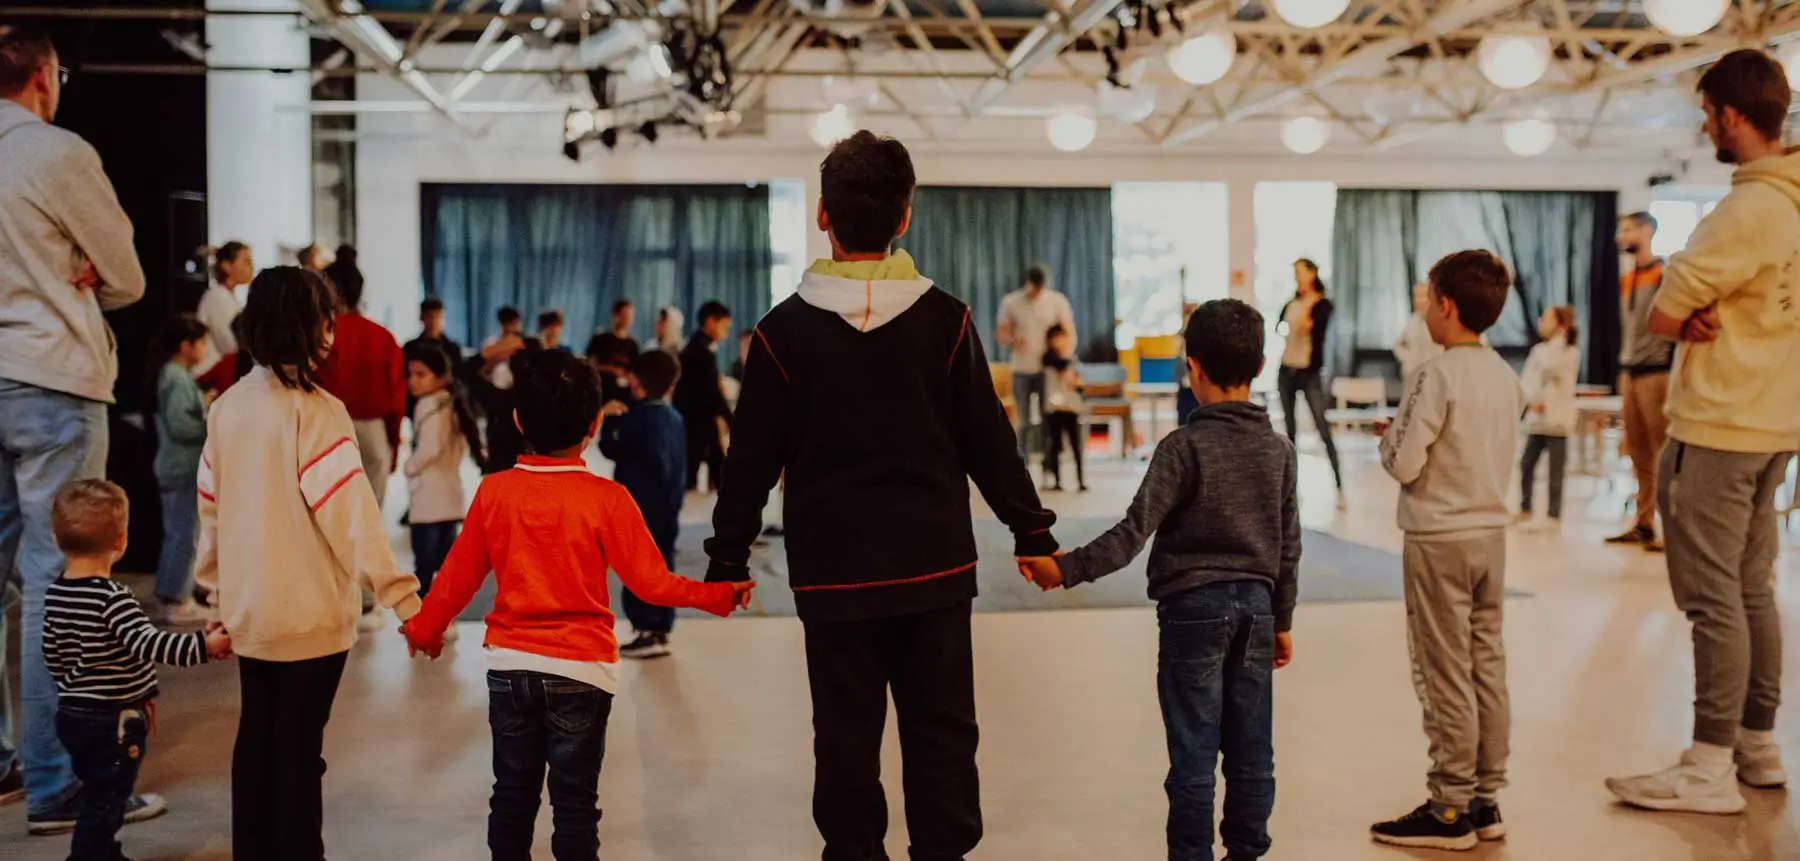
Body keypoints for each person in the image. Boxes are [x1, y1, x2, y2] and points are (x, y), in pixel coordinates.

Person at [705, 131, 1059, 860]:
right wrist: (1032, 533)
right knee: (943, 733)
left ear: (822, 217)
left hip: (832, 576)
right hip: (933, 569)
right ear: (906, 216)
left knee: (843, 736)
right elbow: (990, 442)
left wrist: (729, 557)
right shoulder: (948, 320)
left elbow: (749, 461)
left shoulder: (779, 333)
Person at [400, 351, 752, 861]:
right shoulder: (608, 499)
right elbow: (652, 584)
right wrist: (718, 594)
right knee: (575, 805)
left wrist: (425, 630)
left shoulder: (494, 493)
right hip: (581, 673)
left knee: (512, 796)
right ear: (593, 424)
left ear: (519, 420)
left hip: (510, 669)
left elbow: (455, 580)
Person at [1020, 298, 1297, 861]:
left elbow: (1131, 532)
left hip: (1193, 612)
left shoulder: (1183, 447)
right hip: (1258, 612)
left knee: (1194, 756)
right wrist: (1283, 621)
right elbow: (1288, 547)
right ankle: (1247, 852)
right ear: (1262, 366)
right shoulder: (1279, 450)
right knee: (1252, 753)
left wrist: (1064, 568)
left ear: (1191, 366)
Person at [1605, 48, 1800, 816]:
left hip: (1723, 421)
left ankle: (1709, 764)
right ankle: (1756, 744)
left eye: (1706, 112)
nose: (1703, 124)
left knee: (1713, 597)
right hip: (1775, 420)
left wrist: (1686, 309)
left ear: (1730, 116)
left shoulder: (1748, 208)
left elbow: (1662, 312)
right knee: (1752, 589)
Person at [194, 266, 423, 859]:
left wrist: (216, 600)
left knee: (258, 744)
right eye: (325, 316)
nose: (332, 329)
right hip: (312, 619)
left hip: (250, 615)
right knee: (299, 754)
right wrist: (405, 599)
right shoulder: (316, 412)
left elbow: (210, 515)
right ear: (306, 324)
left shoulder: (227, 409)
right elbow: (354, 520)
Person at [0, 23, 149, 830]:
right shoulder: (55, 152)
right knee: (56, 584)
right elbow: (125, 273)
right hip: (50, 374)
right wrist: (82, 270)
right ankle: (55, 782)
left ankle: (5, 766)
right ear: (44, 78)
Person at [1369, 250, 1521, 851]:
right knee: (1487, 663)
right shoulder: (1506, 375)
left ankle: (1449, 806)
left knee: (1443, 670)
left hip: (1439, 540)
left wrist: (1393, 440)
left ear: (1447, 306)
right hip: (1490, 537)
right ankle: (1486, 798)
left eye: (1429, 298)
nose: (1426, 309)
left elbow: (1404, 461)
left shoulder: (1436, 374)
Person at [42, 479, 231, 861]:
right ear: (121, 542)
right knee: (108, 797)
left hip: (73, 715)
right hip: (113, 720)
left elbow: (53, 653)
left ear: (55, 537)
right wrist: (204, 647)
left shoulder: (56, 592)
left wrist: (74, 687)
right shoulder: (114, 599)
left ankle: (103, 851)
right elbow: (152, 644)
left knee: (98, 790)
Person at [314, 248, 407, 627]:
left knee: (326, 516)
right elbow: (396, 396)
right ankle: (367, 599)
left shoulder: (321, 335)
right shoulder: (381, 336)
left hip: (327, 427)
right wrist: (394, 444)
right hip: (371, 431)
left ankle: (331, 594)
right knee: (369, 518)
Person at [598, 350, 687, 659]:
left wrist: (608, 421)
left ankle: (646, 627)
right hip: (669, 506)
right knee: (663, 564)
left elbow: (611, 449)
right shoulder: (675, 419)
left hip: (637, 507)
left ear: (635, 382)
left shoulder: (634, 420)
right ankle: (661, 626)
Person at [1607, 211, 1674, 551]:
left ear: (1647, 230)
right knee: (1637, 452)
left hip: (1656, 372)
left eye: (1628, 229)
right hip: (1630, 371)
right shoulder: (1628, 278)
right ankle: (1644, 523)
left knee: (1662, 452)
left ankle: (1669, 528)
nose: (1622, 236)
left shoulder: (1665, 273)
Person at [403, 342, 486, 606]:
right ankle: (443, 617)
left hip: (428, 500)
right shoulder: (453, 401)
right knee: (445, 566)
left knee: (424, 568)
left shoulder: (427, 404)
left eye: (420, 374)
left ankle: (422, 620)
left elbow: (430, 448)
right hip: (450, 498)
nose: (412, 381)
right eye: (410, 374)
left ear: (439, 376)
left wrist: (409, 467)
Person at [148, 314, 214, 625]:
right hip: (181, 467)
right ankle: (175, 597)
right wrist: (209, 421)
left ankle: (171, 592)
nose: (204, 349)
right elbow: (179, 424)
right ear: (185, 346)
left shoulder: (175, 375)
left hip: (176, 466)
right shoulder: (176, 377)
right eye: (201, 343)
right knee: (183, 535)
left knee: (179, 533)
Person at [1277, 258, 1344, 499]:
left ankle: (1339, 481)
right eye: (1294, 272)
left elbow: (1319, 333)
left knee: (1322, 427)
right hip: (1287, 370)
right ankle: (1290, 488)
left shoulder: (1322, 304)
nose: (1296, 276)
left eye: (1300, 272)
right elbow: (1280, 327)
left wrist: (1310, 323)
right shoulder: (1291, 303)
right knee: (1289, 431)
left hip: (1309, 372)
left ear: (1312, 273)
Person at [996, 264, 1075, 456]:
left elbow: (1068, 333)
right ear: (1028, 283)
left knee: (1048, 418)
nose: (1038, 291)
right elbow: (1002, 332)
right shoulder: (1011, 302)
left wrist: (1064, 362)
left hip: (1047, 370)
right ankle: (1022, 460)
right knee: (1023, 421)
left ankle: (1049, 463)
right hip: (1022, 368)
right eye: (1035, 287)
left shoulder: (1057, 302)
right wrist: (1013, 340)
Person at [1516, 306, 1580, 532]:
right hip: (1538, 419)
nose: (1541, 321)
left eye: (1548, 319)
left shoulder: (1569, 351)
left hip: (1558, 420)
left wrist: (1563, 336)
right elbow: (1527, 379)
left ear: (1560, 325)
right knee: (1526, 463)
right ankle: (1525, 507)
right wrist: (1531, 399)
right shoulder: (1538, 350)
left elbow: (1553, 367)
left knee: (1556, 470)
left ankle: (1554, 514)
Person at [673, 301, 733, 492]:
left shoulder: (696, 347)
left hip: (697, 420)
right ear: (710, 322)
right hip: (697, 421)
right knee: (693, 476)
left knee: (713, 470)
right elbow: (712, 393)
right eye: (724, 326)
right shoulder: (700, 352)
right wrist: (731, 419)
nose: (726, 332)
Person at [1041, 323, 1087, 493]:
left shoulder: (1072, 359)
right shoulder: (1049, 358)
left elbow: (1079, 384)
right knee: (1054, 444)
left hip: (1071, 407)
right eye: (1057, 338)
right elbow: (1061, 366)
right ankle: (1056, 480)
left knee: (1076, 445)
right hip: (1055, 407)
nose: (1061, 342)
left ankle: (1080, 480)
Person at [195, 240, 252, 377]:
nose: (251, 267)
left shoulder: (229, 298)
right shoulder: (217, 297)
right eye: (246, 261)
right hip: (209, 375)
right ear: (227, 266)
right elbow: (230, 344)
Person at [403, 296, 463, 419]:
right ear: (422, 318)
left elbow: (458, 377)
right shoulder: (411, 348)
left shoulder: (452, 348)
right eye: (429, 316)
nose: (434, 321)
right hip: (416, 403)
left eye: (438, 316)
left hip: (446, 403)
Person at [584, 299, 640, 387]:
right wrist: (611, 369)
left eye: (629, 316)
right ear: (615, 315)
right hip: (600, 386)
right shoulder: (601, 338)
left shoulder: (633, 345)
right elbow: (589, 365)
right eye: (624, 315)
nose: (627, 319)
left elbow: (634, 372)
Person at [1393, 281, 1441, 382]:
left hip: (1432, 378)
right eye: (1416, 297)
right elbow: (1398, 345)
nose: (1418, 301)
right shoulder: (1414, 320)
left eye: (1422, 297)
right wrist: (1407, 358)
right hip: (1411, 377)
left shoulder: (1440, 322)